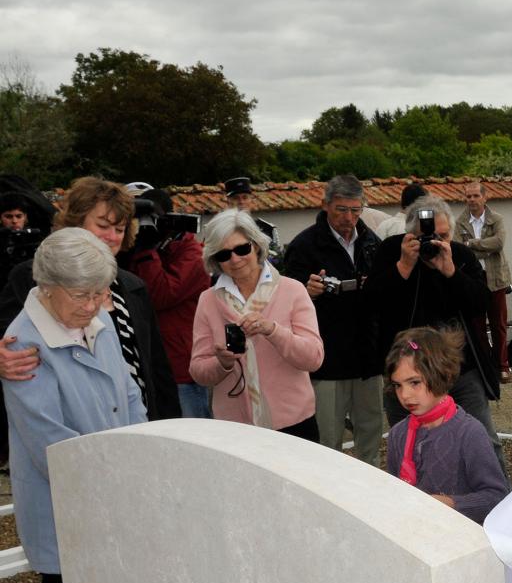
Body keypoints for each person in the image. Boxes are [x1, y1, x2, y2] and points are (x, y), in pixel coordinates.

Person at [3, 228, 148, 583]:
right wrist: (111, 485)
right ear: (45, 288)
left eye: (101, 295)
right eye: (83, 297)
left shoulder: (98, 318)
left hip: (117, 489)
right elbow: (47, 442)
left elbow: (129, 393)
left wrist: (143, 453)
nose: (95, 307)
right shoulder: (23, 344)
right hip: (68, 504)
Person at [0, 177, 180, 420]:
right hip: (69, 427)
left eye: (119, 229)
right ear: (76, 221)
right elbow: (8, 336)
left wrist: (168, 425)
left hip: (137, 421)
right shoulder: (33, 277)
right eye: (103, 225)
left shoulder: (133, 285)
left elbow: (156, 367)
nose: (112, 236)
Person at [363, 197, 503, 464]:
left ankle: (495, 499)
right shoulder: (393, 251)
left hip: (460, 369)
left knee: (482, 438)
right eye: (427, 236)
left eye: (443, 235)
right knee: (407, 444)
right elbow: (370, 303)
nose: (435, 243)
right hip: (405, 372)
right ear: (410, 234)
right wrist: (403, 267)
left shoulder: (459, 254)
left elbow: (481, 303)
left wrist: (451, 272)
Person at [190, 210, 323, 440]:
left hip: (294, 424)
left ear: (257, 246)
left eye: (242, 249)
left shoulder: (292, 290)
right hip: (235, 430)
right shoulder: (208, 301)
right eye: (223, 254)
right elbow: (198, 371)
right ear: (215, 259)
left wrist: (272, 330)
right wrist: (222, 363)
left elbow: (314, 358)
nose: (235, 259)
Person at [280, 175, 382, 464]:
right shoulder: (304, 246)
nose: (349, 218)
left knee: (371, 437)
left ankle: (371, 500)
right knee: (327, 444)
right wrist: (307, 291)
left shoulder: (372, 243)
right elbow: (286, 301)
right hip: (328, 360)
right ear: (325, 205)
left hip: (367, 358)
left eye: (356, 210)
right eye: (341, 209)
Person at [384, 325, 508, 523]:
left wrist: (452, 504)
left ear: (441, 374)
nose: (405, 395)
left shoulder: (469, 433)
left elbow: (496, 496)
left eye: (414, 382)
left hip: (459, 541)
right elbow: (393, 490)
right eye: (398, 385)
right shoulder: (399, 434)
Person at [120, 187, 211, 418]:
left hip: (180, 369)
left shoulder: (192, 254)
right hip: (151, 363)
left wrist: (146, 252)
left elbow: (158, 296)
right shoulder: (145, 247)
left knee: (191, 439)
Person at [455, 180, 512, 384]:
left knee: (498, 324)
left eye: (475, 196)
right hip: (473, 280)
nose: (471, 200)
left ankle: (502, 366)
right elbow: (458, 248)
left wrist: (472, 244)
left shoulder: (496, 218)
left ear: (484, 197)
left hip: (495, 277)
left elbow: (499, 243)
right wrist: (480, 247)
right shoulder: (460, 221)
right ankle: (484, 365)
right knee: (477, 326)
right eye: (468, 196)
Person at [224, 176, 282, 262]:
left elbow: (276, 259)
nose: (241, 202)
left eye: (245, 197)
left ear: (251, 200)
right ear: (228, 201)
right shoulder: (219, 230)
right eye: (236, 198)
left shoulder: (267, 229)